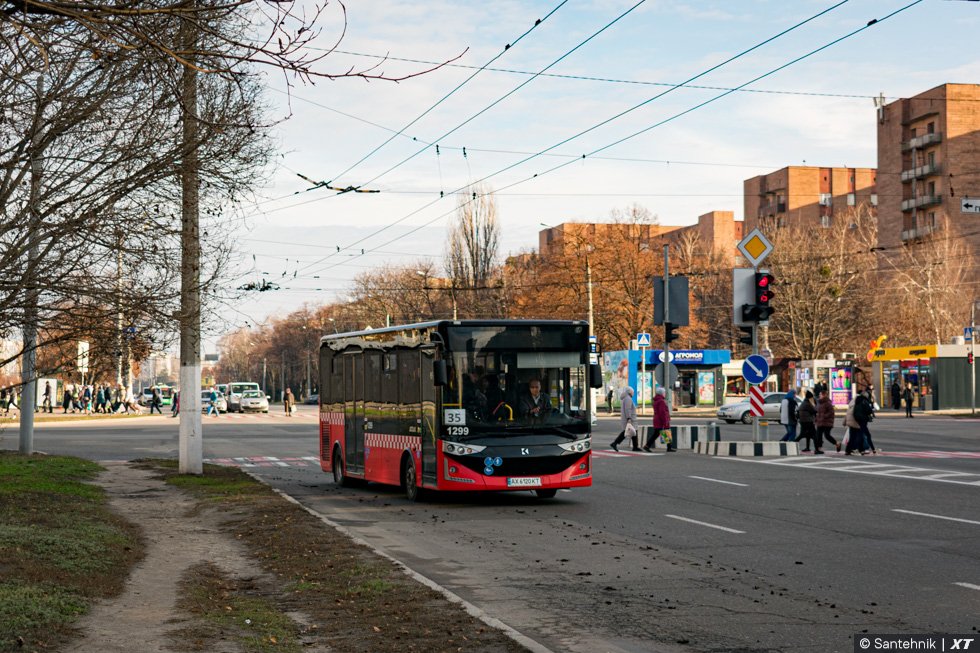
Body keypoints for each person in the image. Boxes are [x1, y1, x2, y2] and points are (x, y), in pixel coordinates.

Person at [609, 386, 637, 451]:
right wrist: (629, 418)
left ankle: (635, 446)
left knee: (631, 432)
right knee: (629, 432)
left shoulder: (626, 398)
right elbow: (628, 409)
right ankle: (615, 443)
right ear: (630, 392)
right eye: (633, 392)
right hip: (630, 418)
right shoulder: (628, 399)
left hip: (629, 418)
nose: (633, 393)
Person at [645, 387, 672, 452]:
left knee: (661, 433)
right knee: (664, 432)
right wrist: (665, 421)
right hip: (660, 420)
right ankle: (647, 446)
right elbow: (662, 412)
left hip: (657, 419)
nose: (665, 394)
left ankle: (669, 447)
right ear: (662, 393)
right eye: (664, 392)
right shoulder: (661, 401)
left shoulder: (656, 401)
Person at [814, 389, 838, 454]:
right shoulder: (820, 403)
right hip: (820, 422)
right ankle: (819, 449)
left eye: (820, 394)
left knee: (827, 435)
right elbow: (819, 413)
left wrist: (824, 416)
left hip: (827, 422)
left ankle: (837, 443)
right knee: (819, 435)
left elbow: (831, 412)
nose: (819, 395)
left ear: (824, 395)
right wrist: (816, 419)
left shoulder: (828, 402)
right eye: (819, 394)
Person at [855, 389, 878, 454]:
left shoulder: (857, 401)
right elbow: (868, 410)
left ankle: (861, 449)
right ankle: (871, 449)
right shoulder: (864, 401)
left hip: (858, 419)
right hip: (863, 419)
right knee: (865, 435)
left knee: (861, 434)